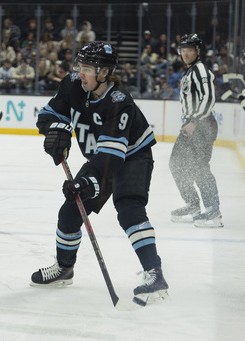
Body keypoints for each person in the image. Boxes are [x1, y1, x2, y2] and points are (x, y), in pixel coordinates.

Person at [31, 41, 169, 300]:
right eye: (79, 66)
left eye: (87, 68)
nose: (79, 72)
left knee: (129, 209)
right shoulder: (73, 85)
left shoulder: (119, 102)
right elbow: (48, 114)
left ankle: (155, 274)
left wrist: (86, 183)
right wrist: (55, 130)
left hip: (132, 157)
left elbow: (111, 160)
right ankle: (65, 267)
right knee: (71, 209)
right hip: (101, 158)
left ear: (104, 73)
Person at [169, 33, 223, 228]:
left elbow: (208, 99)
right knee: (177, 163)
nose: (185, 53)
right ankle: (193, 205)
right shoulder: (190, 71)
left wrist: (194, 121)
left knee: (199, 167)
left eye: (189, 50)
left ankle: (213, 211)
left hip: (201, 125)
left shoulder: (200, 70)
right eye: (182, 50)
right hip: (193, 125)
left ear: (198, 51)